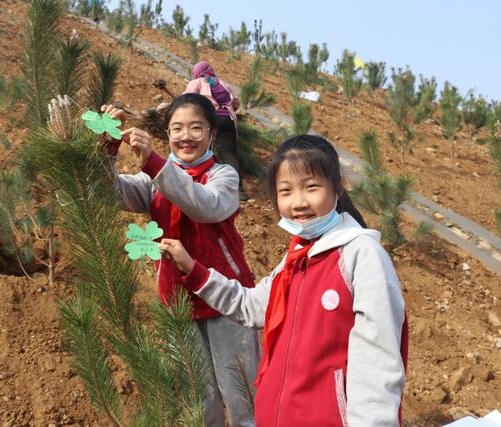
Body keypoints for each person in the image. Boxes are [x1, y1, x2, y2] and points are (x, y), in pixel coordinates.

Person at [160, 134, 409, 427]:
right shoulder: (297, 256)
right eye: (286, 191)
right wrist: (194, 269)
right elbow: (251, 306)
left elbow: (378, 363)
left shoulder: (361, 255)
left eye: (311, 187)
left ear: (338, 186)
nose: (298, 202)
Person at [102, 93, 259, 427]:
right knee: (199, 405)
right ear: (167, 135)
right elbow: (108, 191)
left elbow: (203, 205)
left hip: (226, 302)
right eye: (177, 129)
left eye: (196, 128)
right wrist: (107, 147)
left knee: (244, 399)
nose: (185, 136)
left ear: (212, 134)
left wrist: (156, 164)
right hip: (178, 306)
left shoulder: (224, 177)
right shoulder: (153, 181)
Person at [184, 61, 248, 200]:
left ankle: (202, 184)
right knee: (230, 154)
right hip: (228, 120)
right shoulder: (221, 83)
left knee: (203, 151)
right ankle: (239, 191)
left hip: (211, 119)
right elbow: (235, 102)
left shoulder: (197, 82)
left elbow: (186, 99)